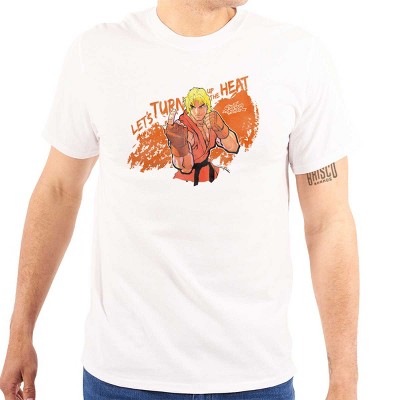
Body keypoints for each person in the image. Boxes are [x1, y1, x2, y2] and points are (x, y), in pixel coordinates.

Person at [0, 0, 360, 399]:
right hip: (123, 377)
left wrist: (344, 378)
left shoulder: (296, 55)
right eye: (197, 108)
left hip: (255, 376)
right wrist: (20, 329)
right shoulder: (98, 53)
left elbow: (329, 221)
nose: (201, 111)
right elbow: (58, 191)